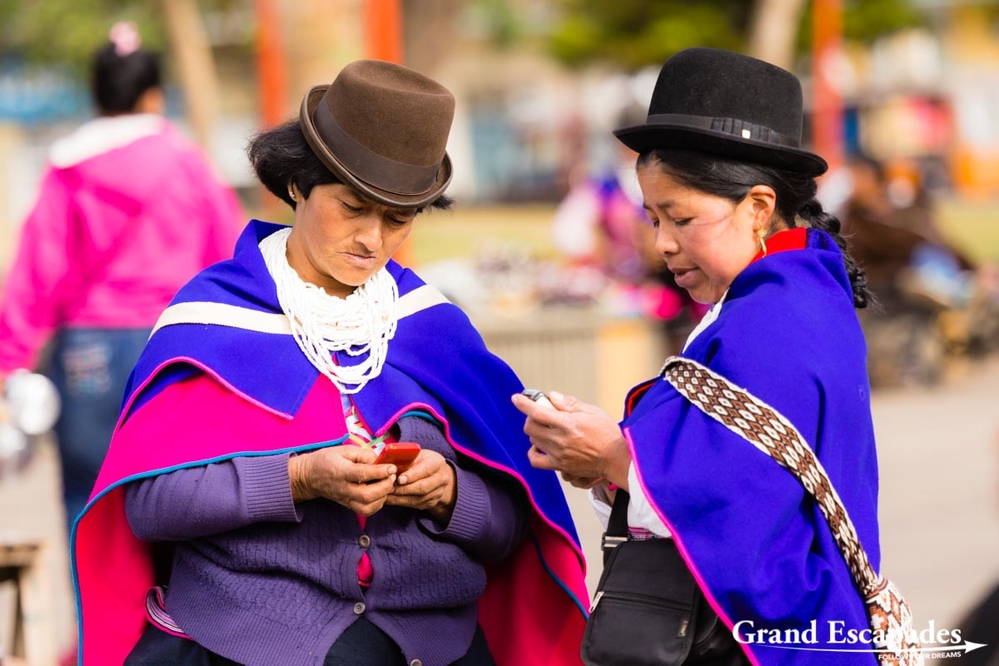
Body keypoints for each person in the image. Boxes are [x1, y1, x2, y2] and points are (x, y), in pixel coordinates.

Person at [73, 59, 588, 666]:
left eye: (397, 219)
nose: (372, 239)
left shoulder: (435, 330)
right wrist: (299, 478)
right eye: (352, 207)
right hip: (251, 644)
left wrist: (451, 493)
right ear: (297, 184)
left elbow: (510, 530)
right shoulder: (210, 322)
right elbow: (151, 507)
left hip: (435, 644)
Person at [513, 48, 886, 665]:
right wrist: (612, 462)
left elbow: (739, 508)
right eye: (652, 218)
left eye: (681, 218)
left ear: (758, 207)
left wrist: (612, 456)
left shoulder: (772, 320)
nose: (662, 244)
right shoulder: (792, 292)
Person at [0, 22, 243, 536]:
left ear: (96, 95)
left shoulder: (67, 168)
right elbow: (229, 254)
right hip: (173, 342)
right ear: (153, 95)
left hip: (86, 351)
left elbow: (37, 269)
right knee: (181, 490)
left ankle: (91, 593)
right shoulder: (187, 164)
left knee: (88, 502)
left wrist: (12, 359)